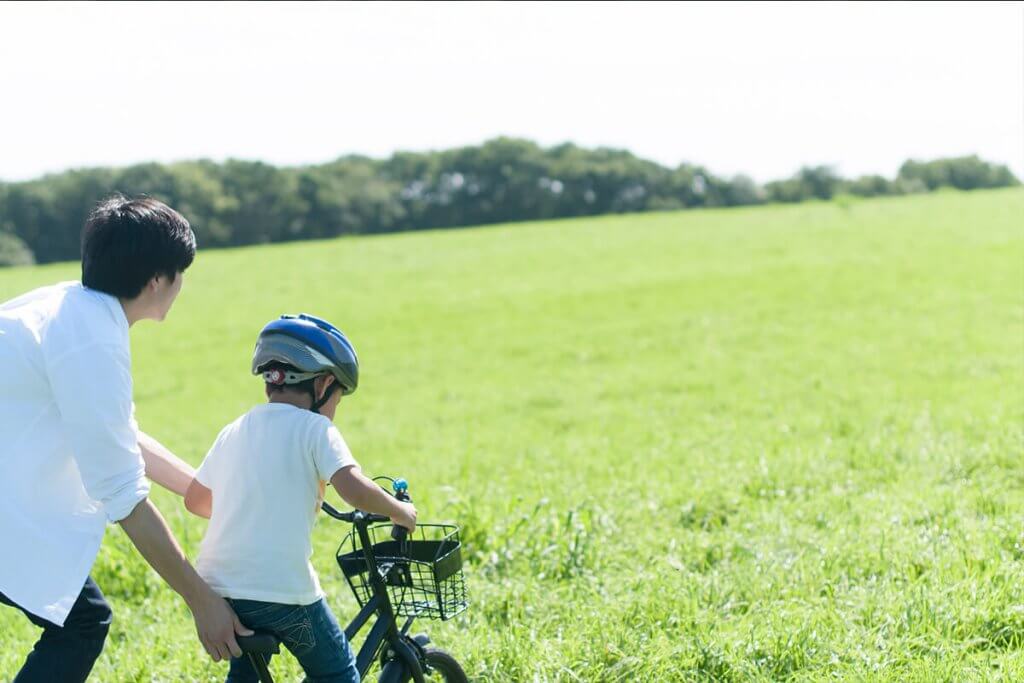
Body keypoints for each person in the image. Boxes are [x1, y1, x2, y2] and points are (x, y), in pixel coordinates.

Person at [0, 195, 251, 683]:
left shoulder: (70, 306)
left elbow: (119, 434)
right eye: (181, 272)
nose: (182, 285)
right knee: (82, 625)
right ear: (158, 280)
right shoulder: (91, 339)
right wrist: (201, 600)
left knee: (80, 619)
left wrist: (200, 491)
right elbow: (124, 497)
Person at [183, 313, 417, 683]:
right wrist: (399, 510)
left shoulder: (235, 429)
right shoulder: (315, 428)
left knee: (247, 671)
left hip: (221, 589)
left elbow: (195, 501)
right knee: (338, 674)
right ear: (323, 384)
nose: (334, 411)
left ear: (268, 386)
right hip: (280, 591)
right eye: (337, 400)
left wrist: (247, 500)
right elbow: (353, 488)